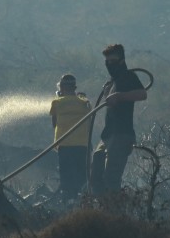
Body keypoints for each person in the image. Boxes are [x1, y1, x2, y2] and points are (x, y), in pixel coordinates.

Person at [90, 44, 147, 194]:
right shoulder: (112, 81)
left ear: (121, 60)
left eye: (113, 60)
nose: (109, 64)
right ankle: (99, 209)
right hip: (107, 134)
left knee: (111, 177)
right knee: (96, 171)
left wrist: (119, 96)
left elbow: (142, 94)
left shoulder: (128, 76)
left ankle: (114, 211)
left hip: (122, 134)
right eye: (107, 61)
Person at [48, 74, 92, 200]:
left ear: (61, 87)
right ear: (75, 87)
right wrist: (82, 97)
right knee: (82, 176)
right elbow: (90, 119)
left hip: (65, 145)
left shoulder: (57, 102)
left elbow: (54, 123)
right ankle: (84, 202)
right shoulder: (85, 103)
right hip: (82, 145)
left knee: (66, 177)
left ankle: (68, 201)